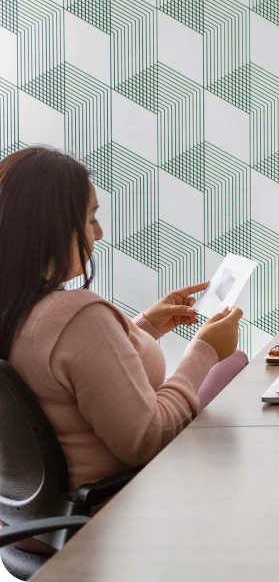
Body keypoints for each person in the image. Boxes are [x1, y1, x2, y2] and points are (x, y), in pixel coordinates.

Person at [0, 147, 245, 493]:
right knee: (234, 362)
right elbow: (147, 438)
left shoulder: (19, 309)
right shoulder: (78, 317)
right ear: (51, 229)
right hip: (112, 509)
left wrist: (144, 327)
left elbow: (64, 369)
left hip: (28, 522)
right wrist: (204, 350)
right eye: (89, 220)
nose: (98, 234)